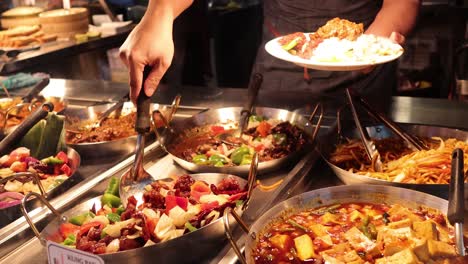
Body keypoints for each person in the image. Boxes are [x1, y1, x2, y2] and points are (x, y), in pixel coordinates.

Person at [119, 0, 421, 104]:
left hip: (362, 71)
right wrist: (157, 15)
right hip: (280, 67)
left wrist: (367, 50)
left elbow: (401, 4)